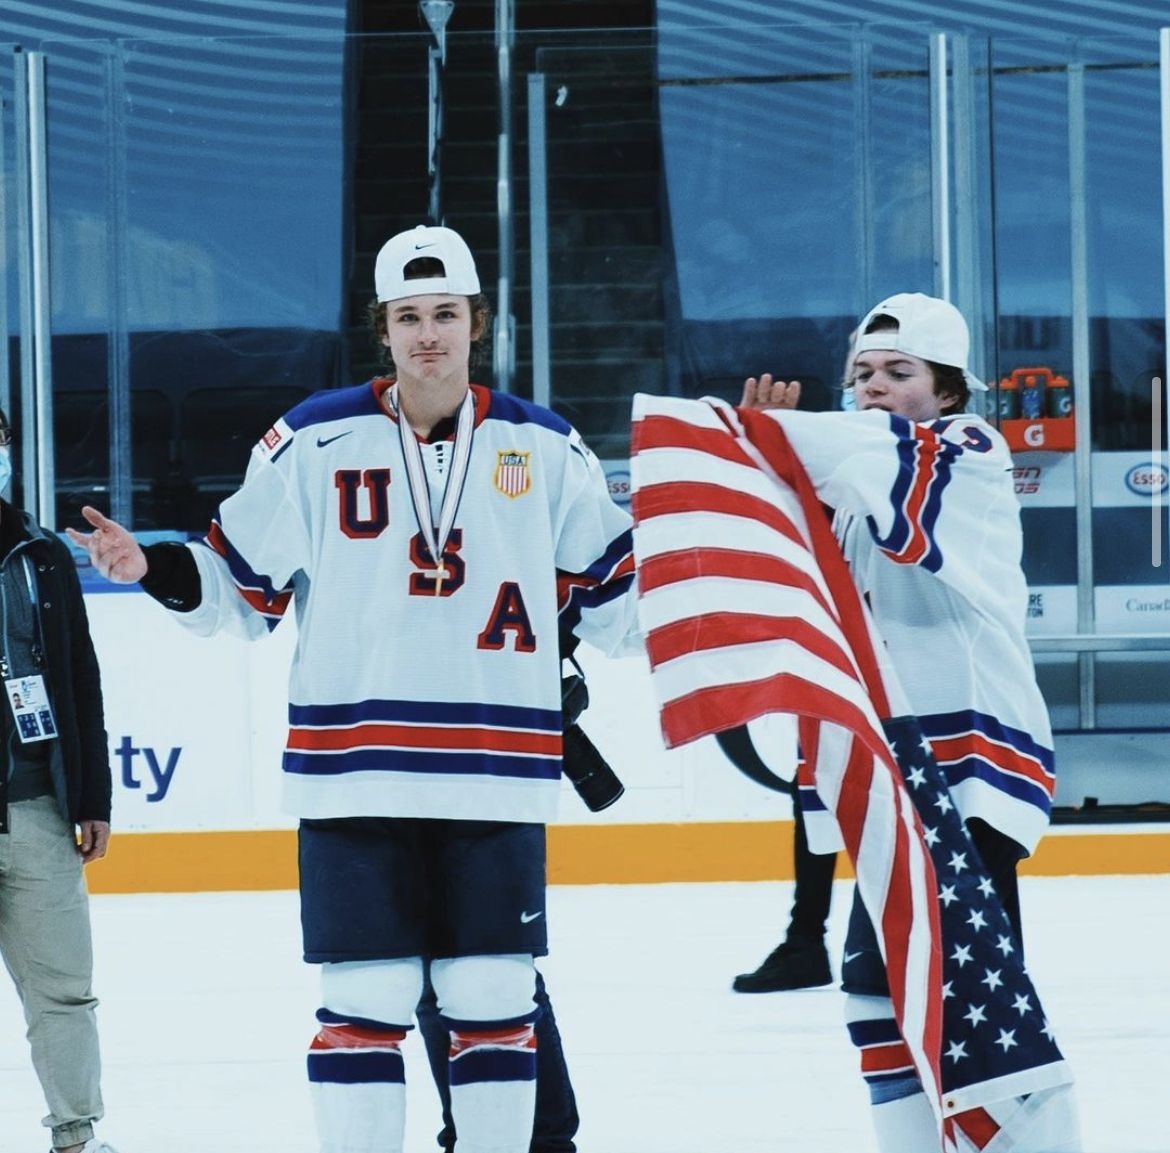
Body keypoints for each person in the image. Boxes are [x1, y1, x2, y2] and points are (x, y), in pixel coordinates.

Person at [68, 223, 639, 1153]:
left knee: (493, 991)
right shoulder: (313, 439)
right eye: (408, 316)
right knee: (362, 998)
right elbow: (238, 590)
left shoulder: (546, 447)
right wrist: (151, 568)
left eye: (445, 314)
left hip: (496, 769)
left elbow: (621, 603)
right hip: (353, 772)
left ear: (477, 323)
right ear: (383, 328)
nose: (427, 335)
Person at [739, 293, 1081, 1151]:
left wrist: (756, 436)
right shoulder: (859, 469)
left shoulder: (966, 450)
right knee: (880, 991)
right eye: (862, 374)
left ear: (950, 388)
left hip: (971, 772)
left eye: (900, 372)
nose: (876, 387)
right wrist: (763, 465)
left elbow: (861, 462)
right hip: (899, 771)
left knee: (968, 1004)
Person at [0, 406, 120, 1153]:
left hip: (39, 808)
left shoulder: (40, 553)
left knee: (65, 990)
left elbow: (80, 676)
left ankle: (77, 1136)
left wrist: (93, 795)